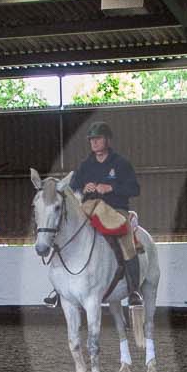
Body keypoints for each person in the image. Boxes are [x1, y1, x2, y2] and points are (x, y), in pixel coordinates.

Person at [46, 120, 144, 308]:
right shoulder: (85, 165)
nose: (94, 142)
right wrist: (84, 188)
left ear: (108, 140)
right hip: (89, 209)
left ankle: (133, 290)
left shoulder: (121, 163)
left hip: (116, 209)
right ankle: (59, 289)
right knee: (67, 236)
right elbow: (73, 190)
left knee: (126, 240)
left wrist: (111, 187)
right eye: (91, 139)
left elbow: (135, 188)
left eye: (98, 139)